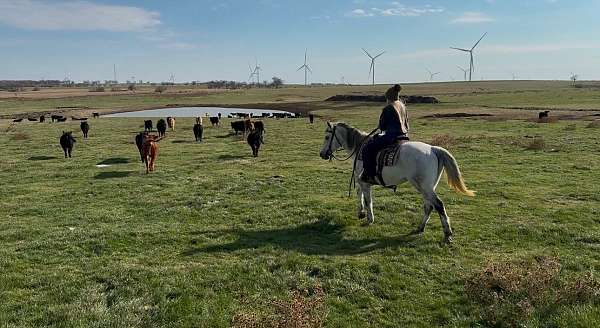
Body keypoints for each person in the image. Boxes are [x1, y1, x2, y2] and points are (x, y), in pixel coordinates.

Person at [359, 84, 409, 185]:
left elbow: (382, 127)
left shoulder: (388, 108)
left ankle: (370, 175)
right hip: (404, 137)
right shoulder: (402, 106)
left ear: (388, 98)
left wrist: (382, 124)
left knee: (367, 149)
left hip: (392, 137)